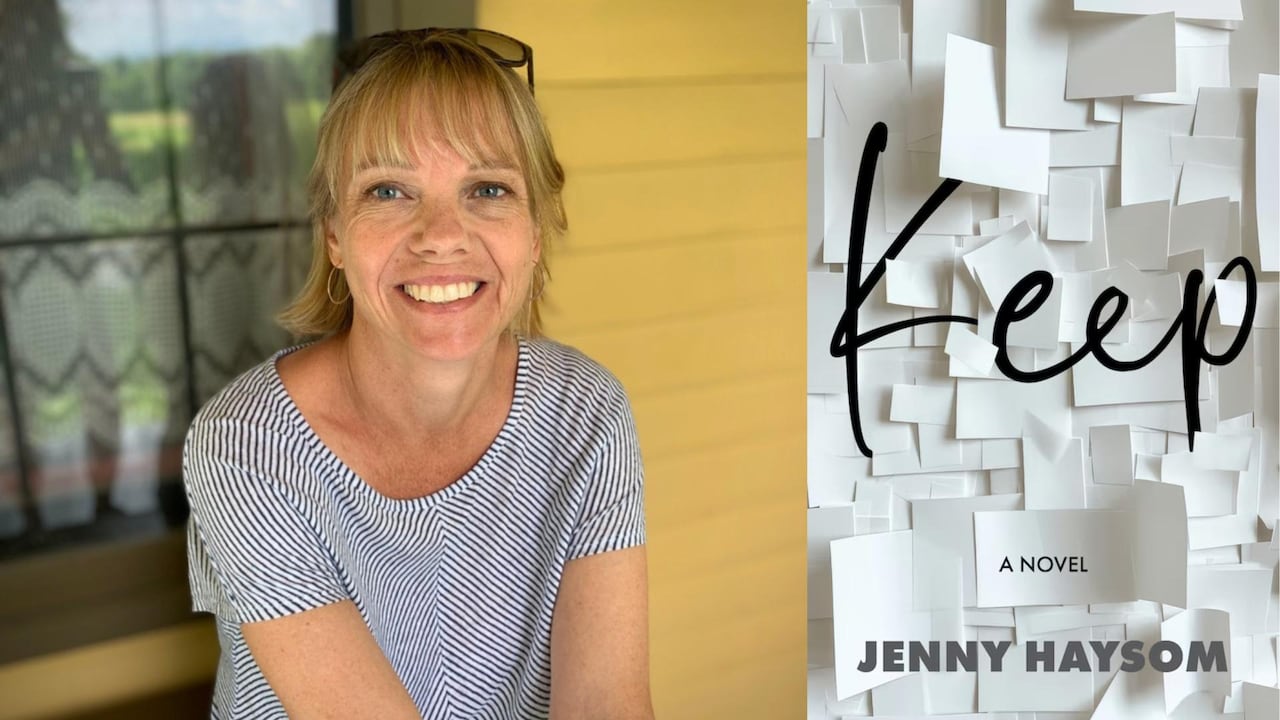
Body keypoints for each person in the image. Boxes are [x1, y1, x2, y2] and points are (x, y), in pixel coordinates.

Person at [183, 29, 652, 719]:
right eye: (390, 191)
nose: (440, 235)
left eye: (488, 188)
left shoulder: (586, 414)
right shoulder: (247, 446)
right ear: (335, 235)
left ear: (536, 229)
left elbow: (606, 705)